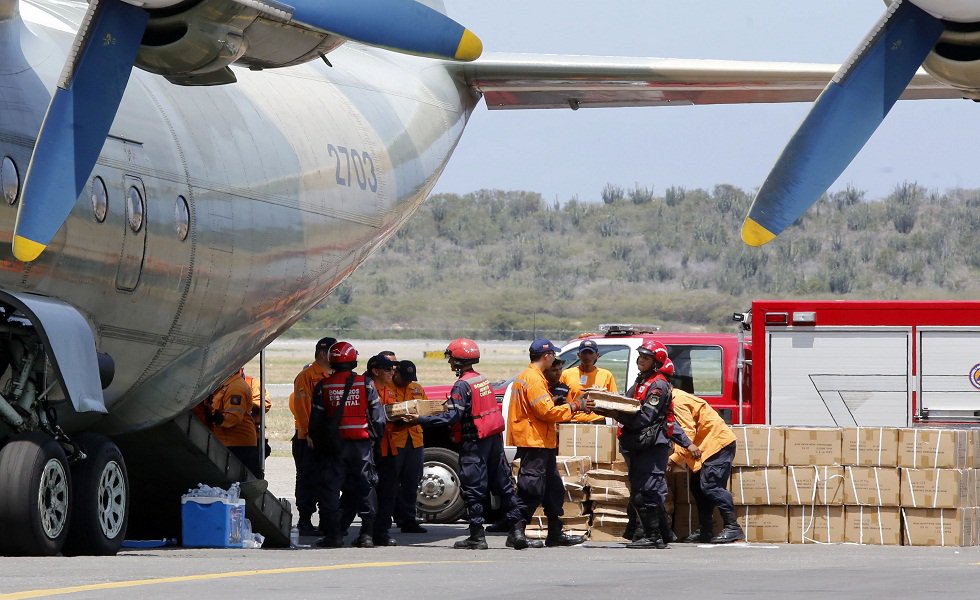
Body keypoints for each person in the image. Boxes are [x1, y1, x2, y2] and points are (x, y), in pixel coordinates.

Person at [403, 338, 529, 550]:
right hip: (493, 439)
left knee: (473, 488)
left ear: (458, 360)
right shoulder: (481, 380)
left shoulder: (462, 385)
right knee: (504, 485)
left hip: (475, 441)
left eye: (451, 358)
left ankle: (477, 536)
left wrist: (420, 419)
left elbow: (452, 417)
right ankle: (517, 532)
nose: (450, 362)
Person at [507, 338, 591, 548]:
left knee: (553, 489)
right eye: (553, 355)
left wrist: (556, 402)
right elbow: (546, 412)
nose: (554, 359)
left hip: (542, 441)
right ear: (547, 356)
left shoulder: (530, 378)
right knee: (531, 488)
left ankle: (555, 532)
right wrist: (574, 406)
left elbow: (538, 408)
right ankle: (516, 531)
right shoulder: (533, 379)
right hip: (534, 441)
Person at [618, 341, 700, 549]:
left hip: (653, 445)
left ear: (656, 362)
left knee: (649, 490)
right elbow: (626, 403)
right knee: (640, 489)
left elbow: (646, 416)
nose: (640, 361)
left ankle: (653, 536)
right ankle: (661, 534)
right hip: (640, 445)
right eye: (640, 357)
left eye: (646, 358)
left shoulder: (658, 385)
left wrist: (618, 415)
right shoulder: (641, 381)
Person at [310, 341, 387, 548]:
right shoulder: (365, 384)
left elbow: (315, 423)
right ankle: (367, 535)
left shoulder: (324, 386)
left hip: (334, 448)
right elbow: (378, 419)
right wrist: (375, 441)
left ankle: (333, 536)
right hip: (361, 446)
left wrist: (320, 446)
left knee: (331, 490)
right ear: (353, 360)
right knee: (366, 487)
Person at [669, 388, 744, 544]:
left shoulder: (677, 402)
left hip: (717, 445)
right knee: (697, 487)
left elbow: (687, 432)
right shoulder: (671, 400)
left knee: (711, 486)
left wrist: (674, 459)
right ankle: (705, 530)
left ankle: (733, 527)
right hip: (704, 447)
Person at [290, 337, 335, 536]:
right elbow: (302, 408)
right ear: (323, 353)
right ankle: (305, 520)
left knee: (328, 479)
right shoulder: (307, 376)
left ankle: (327, 520)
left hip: (330, 437)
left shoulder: (335, 375)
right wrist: (309, 433)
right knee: (308, 480)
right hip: (308, 438)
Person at [365, 353, 402, 546]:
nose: (392, 372)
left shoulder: (389, 388)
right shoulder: (366, 388)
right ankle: (367, 531)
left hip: (389, 447)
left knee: (388, 491)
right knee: (368, 491)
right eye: (388, 369)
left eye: (393, 368)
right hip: (371, 448)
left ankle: (382, 531)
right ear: (376, 371)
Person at [388, 360, 428, 533]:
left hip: (415, 440)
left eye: (409, 379)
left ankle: (408, 519)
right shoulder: (387, 387)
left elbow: (426, 408)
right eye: (404, 378)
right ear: (395, 373)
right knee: (390, 483)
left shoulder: (416, 388)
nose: (407, 382)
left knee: (412, 482)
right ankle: (384, 518)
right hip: (395, 441)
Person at [206, 370, 261, 478]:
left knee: (239, 482)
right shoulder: (225, 385)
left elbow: (233, 418)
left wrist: (214, 417)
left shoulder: (236, 387)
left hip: (238, 444)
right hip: (228, 442)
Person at [560, 339, 616, 423]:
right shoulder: (566, 374)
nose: (587, 356)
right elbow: (559, 401)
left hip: (597, 422)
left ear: (597, 355)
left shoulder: (606, 375)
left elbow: (614, 403)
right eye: (584, 353)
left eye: (590, 353)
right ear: (578, 355)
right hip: (573, 422)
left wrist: (614, 428)